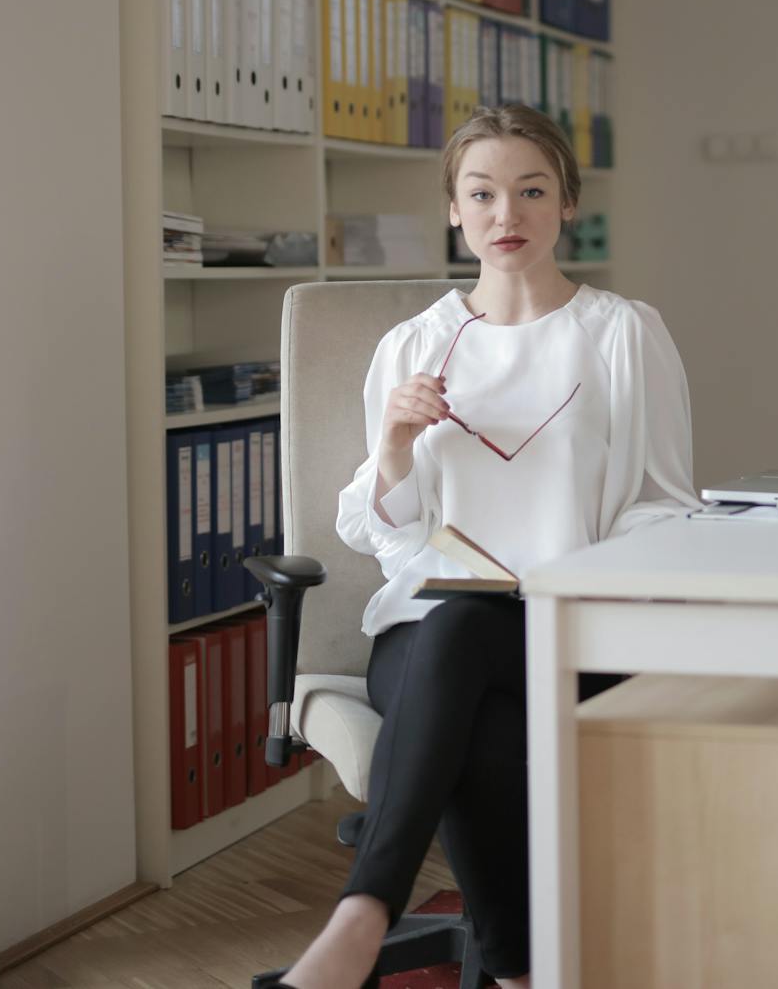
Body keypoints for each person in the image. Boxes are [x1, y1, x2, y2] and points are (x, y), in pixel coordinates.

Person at [277, 105, 701, 989]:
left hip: (575, 632)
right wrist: (392, 447)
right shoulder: (414, 347)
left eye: (531, 190)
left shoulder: (624, 334)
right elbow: (388, 542)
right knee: (463, 629)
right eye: (483, 193)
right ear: (454, 209)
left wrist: (563, 577)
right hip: (428, 636)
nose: (506, 214)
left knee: (473, 682)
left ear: (567, 204)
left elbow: (666, 507)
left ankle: (372, 922)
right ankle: (464, 956)